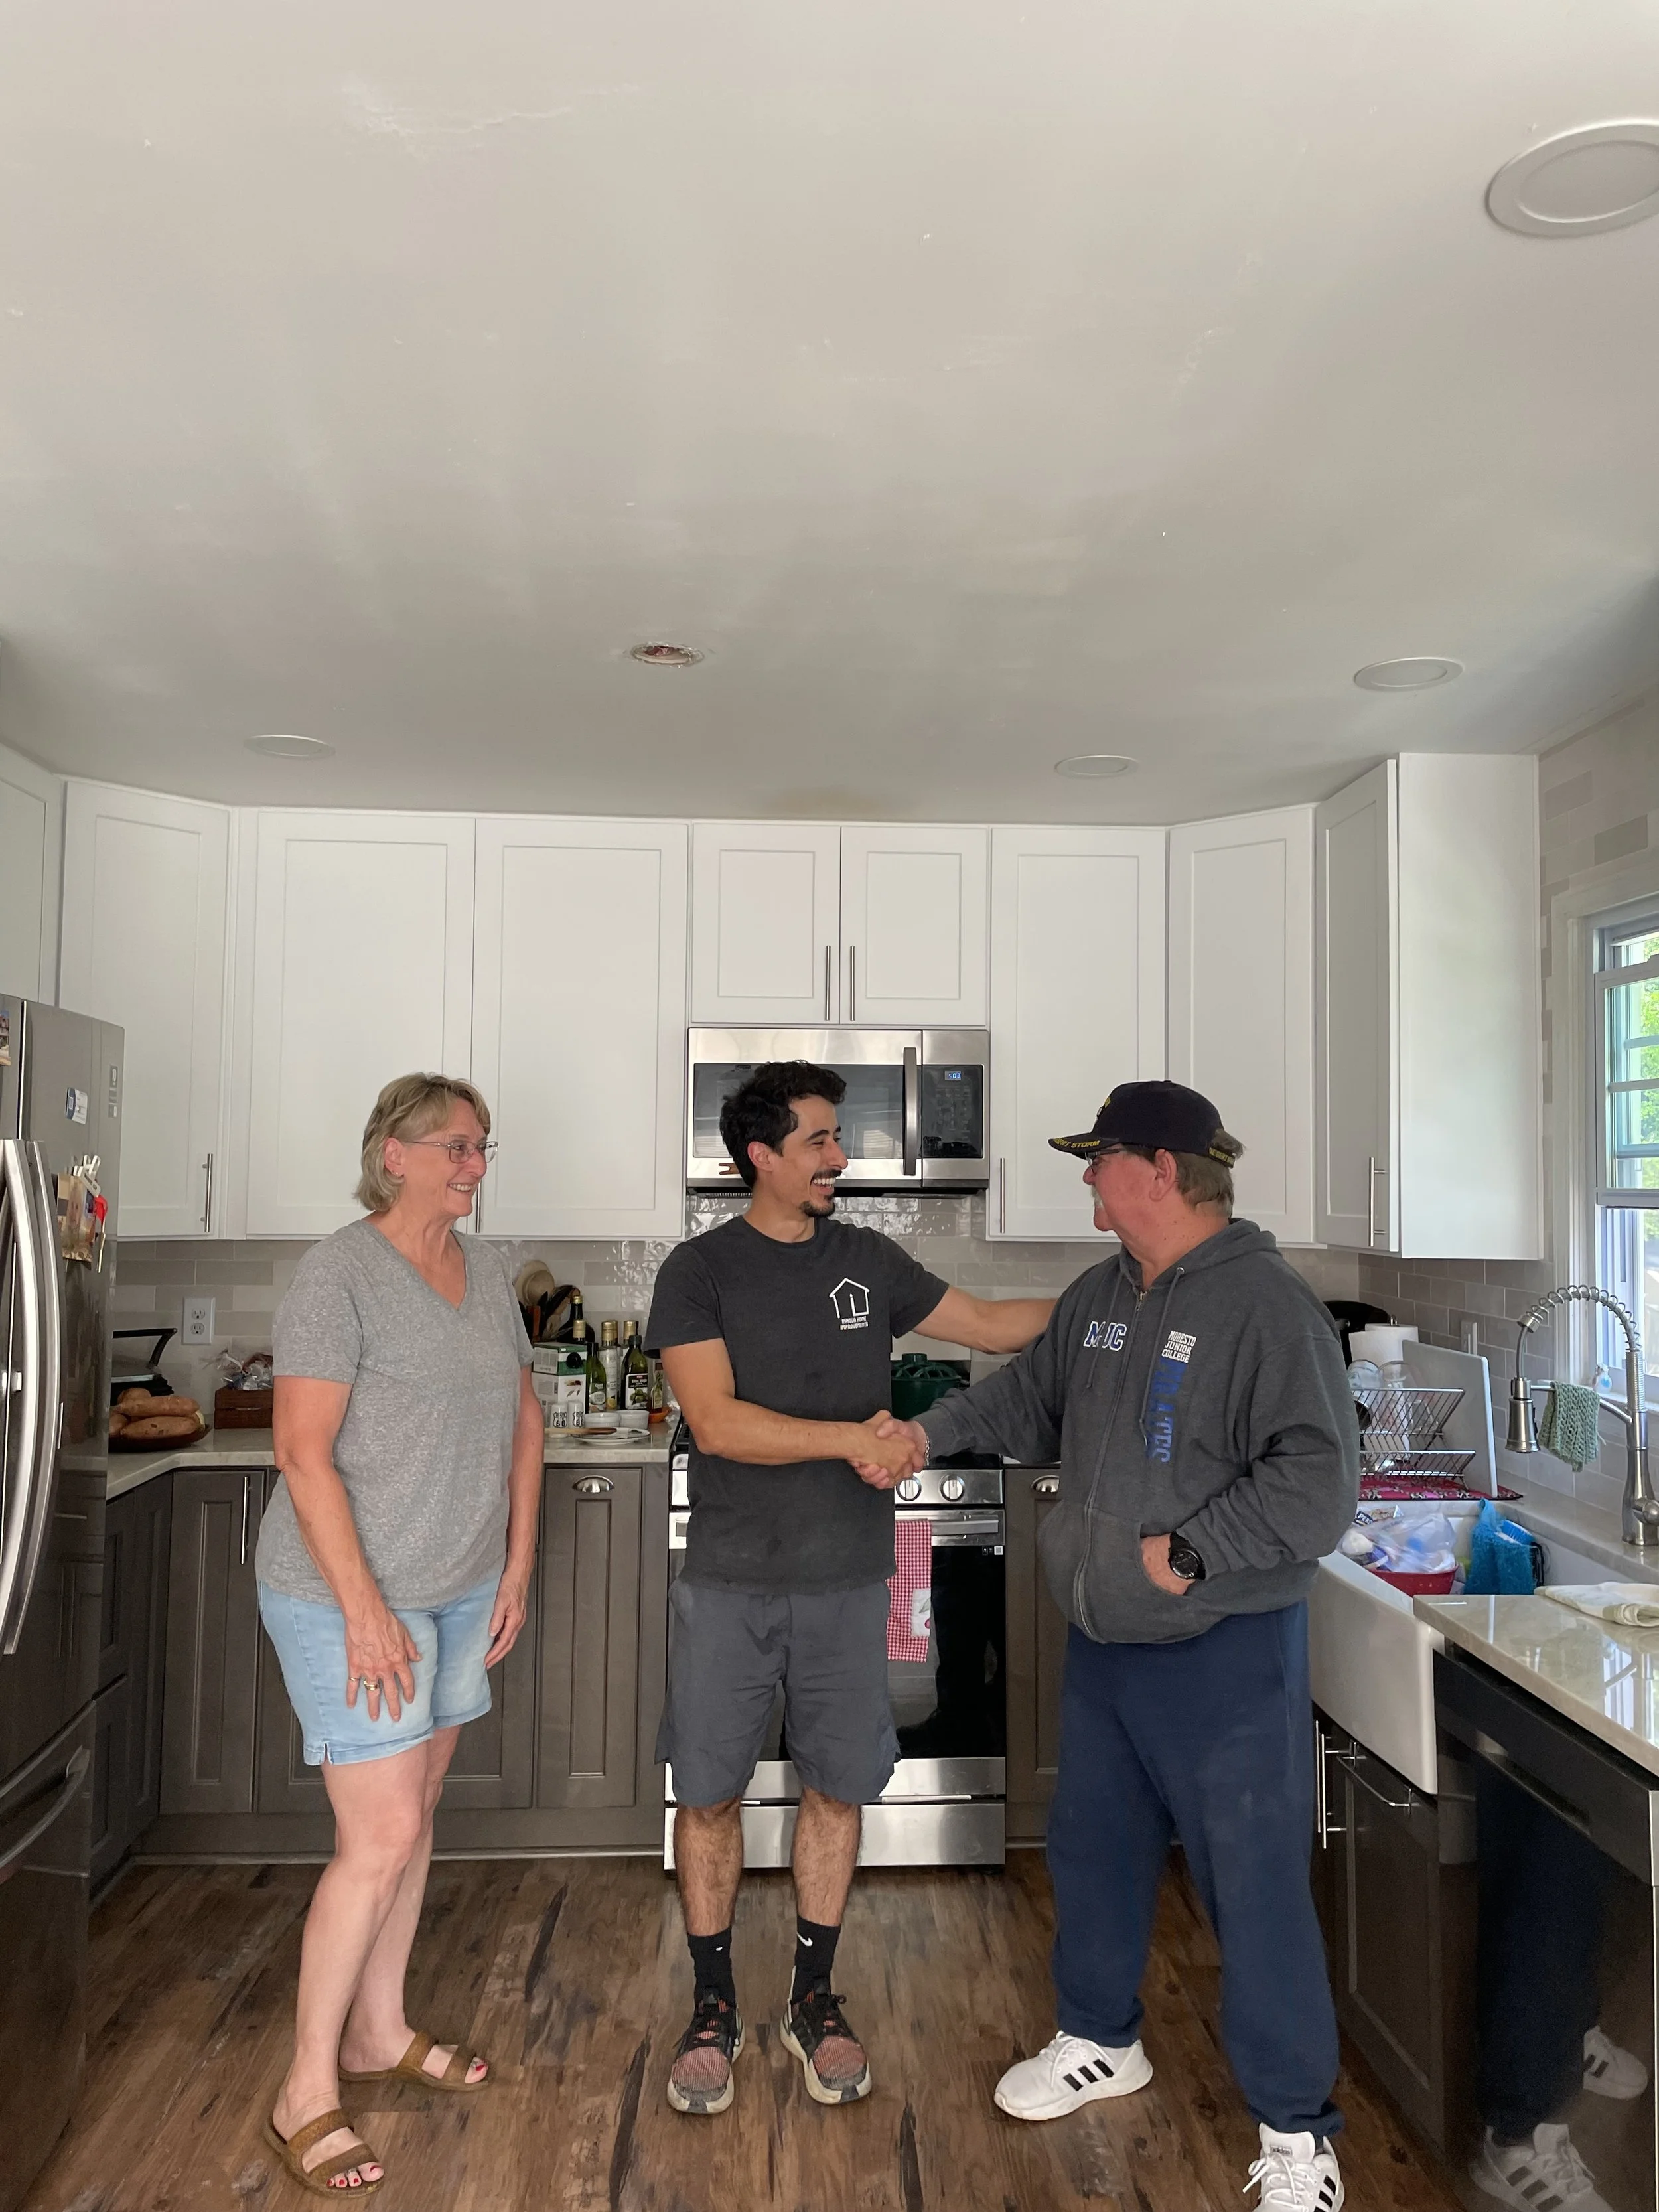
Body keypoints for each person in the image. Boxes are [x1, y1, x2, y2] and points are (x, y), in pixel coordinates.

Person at [885, 1080, 1360, 2212]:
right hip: (1105, 1643)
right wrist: (922, 1434)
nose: (1088, 1178)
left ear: (1160, 1171)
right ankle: (1101, 2038)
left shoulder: (1267, 1305)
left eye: (1099, 1159)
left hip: (1223, 1649)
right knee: (1093, 1853)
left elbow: (1318, 1482)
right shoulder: (1103, 1294)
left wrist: (1194, 1551)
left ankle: (1299, 2133)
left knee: (1251, 1886)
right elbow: (1026, 1402)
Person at [646, 1060, 1054, 2118]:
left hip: (846, 1578)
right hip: (730, 1582)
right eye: (820, 1140)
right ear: (762, 1156)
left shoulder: (868, 1259)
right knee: (709, 1795)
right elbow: (718, 1424)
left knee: (837, 1788)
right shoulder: (698, 1271)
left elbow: (991, 1324)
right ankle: (713, 2005)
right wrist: (856, 1441)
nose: (840, 1157)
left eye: (838, 1137)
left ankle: (812, 1998)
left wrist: (1125, 1293)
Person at [256, 1073, 543, 2197]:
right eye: (457, 1146)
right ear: (395, 1154)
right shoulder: (339, 1275)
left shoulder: (485, 1273)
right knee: (377, 1837)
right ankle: (305, 2090)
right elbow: (301, 1453)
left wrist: (516, 1561)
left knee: (416, 1817)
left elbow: (523, 1418)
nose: (476, 1164)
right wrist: (366, 1610)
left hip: (460, 1590)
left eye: (483, 1147)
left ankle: (380, 2031)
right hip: (346, 1597)